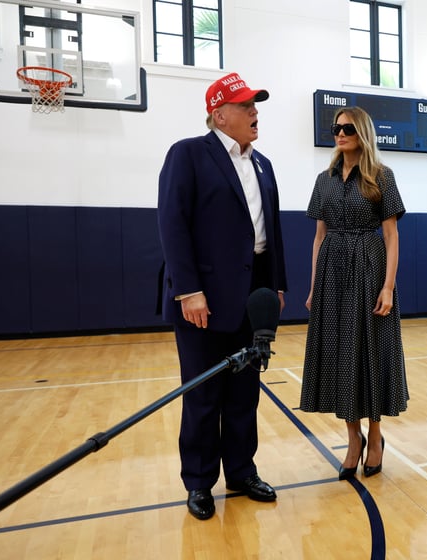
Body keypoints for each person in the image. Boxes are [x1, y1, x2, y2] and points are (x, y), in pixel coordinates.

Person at [157, 72, 288, 520]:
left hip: (252, 297)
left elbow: (271, 232)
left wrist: (276, 287)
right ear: (218, 114)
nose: (255, 113)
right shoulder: (189, 154)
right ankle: (198, 482)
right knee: (202, 395)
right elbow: (172, 224)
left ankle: (241, 471)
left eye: (256, 105)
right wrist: (188, 290)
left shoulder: (263, 164)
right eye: (245, 106)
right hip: (203, 299)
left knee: (244, 392)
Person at [300, 106, 409, 480]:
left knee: (371, 353)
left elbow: (392, 236)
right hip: (333, 270)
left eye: (347, 128)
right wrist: (314, 286)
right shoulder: (323, 179)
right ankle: (352, 439)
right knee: (340, 355)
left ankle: (375, 436)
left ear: (362, 132)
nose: (340, 133)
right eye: (336, 128)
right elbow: (318, 237)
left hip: (370, 266)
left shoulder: (382, 176)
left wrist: (388, 287)